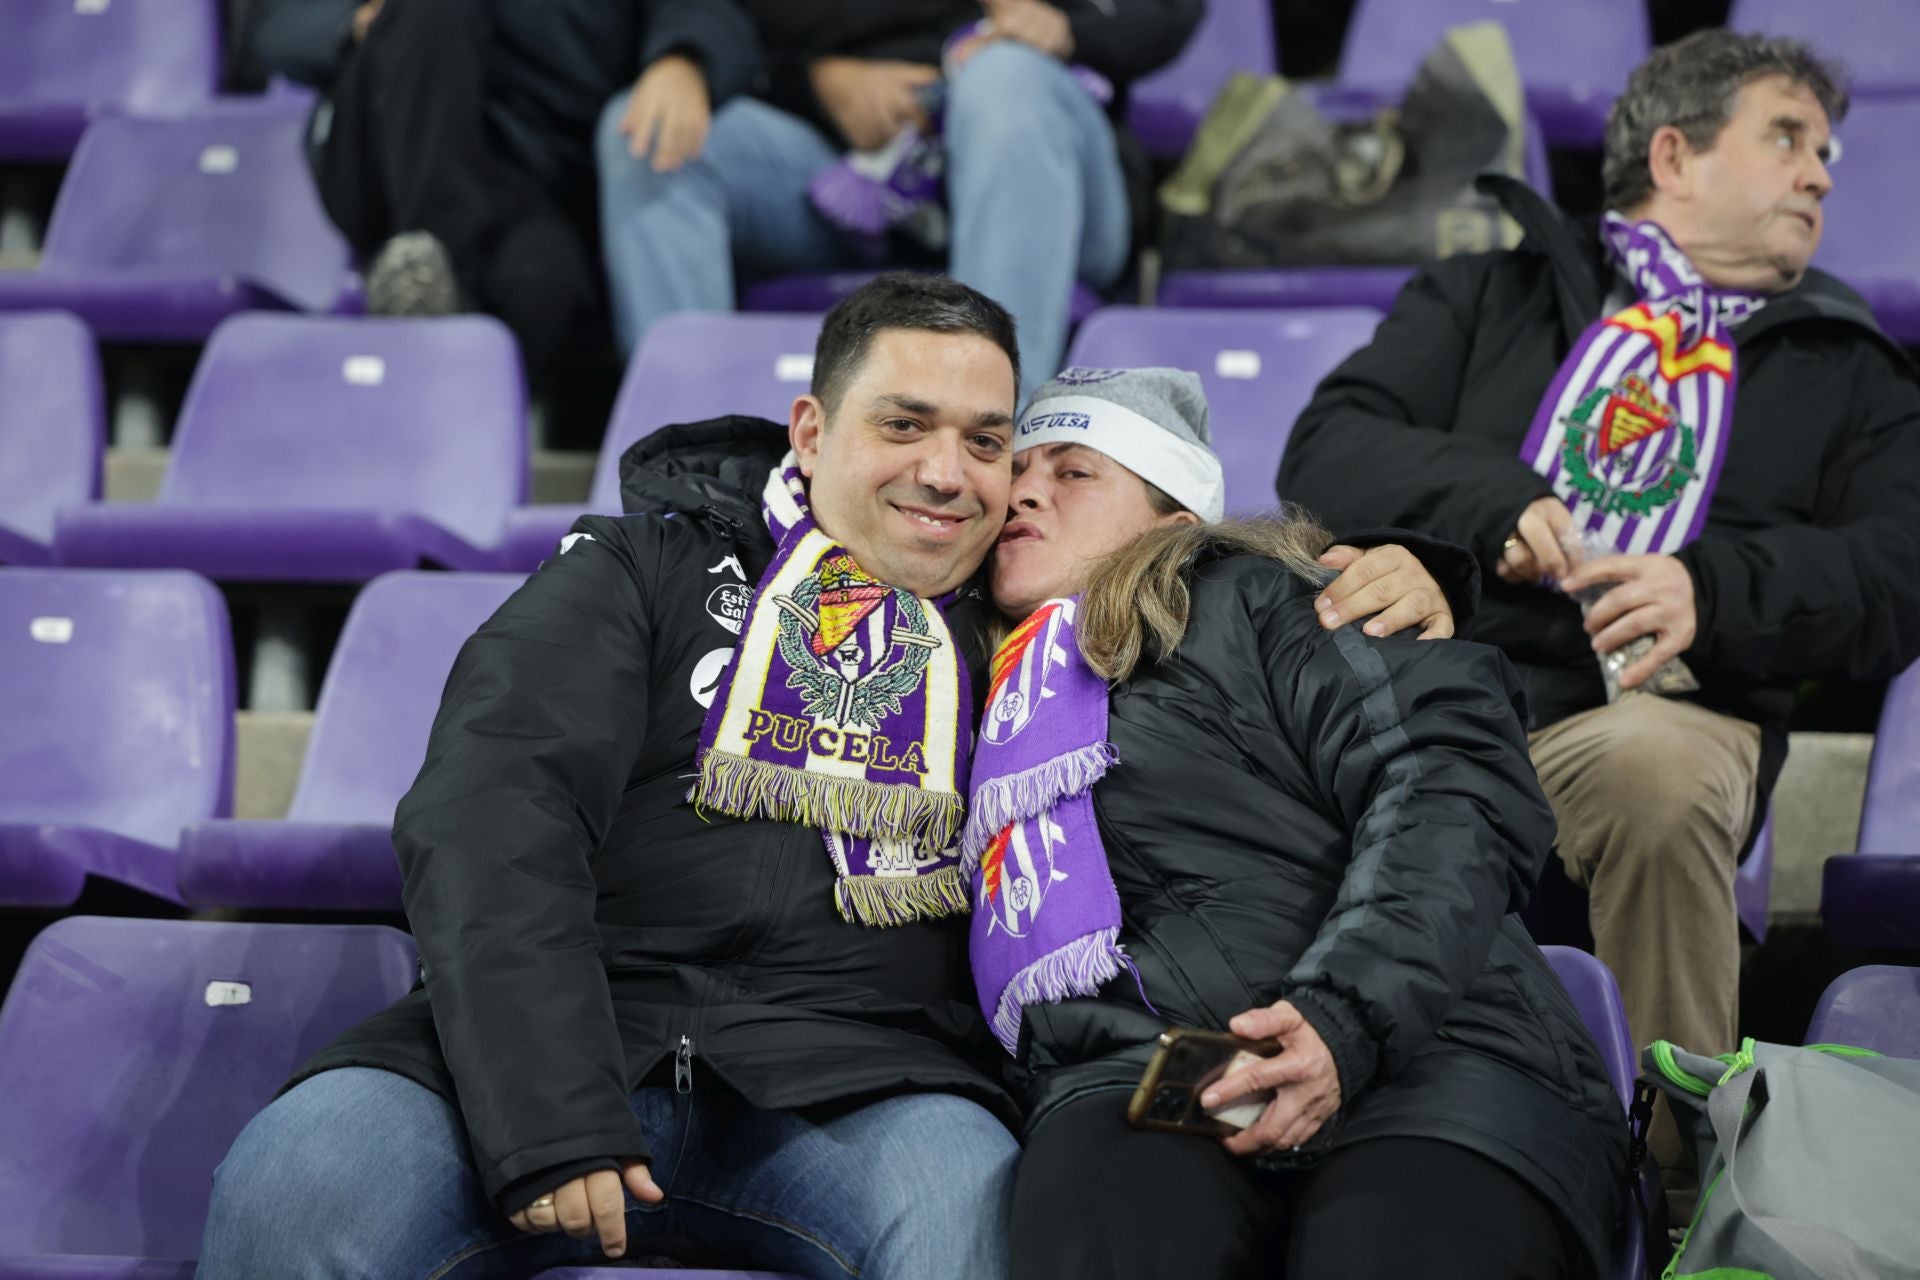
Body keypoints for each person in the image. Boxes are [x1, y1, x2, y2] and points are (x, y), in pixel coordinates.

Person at [195, 275, 1461, 1277]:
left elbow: (1216, 635)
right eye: (902, 424)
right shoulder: (645, 570)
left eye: (986, 440)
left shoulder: (1045, 648)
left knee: (973, 1233)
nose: (948, 472)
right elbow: (491, 807)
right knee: (298, 1185)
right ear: (813, 429)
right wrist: (550, 1107)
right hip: (558, 1037)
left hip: (867, 1085)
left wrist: (1375, 576)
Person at [1276, 30, 1920, 1206]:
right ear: (1673, 156)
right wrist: (1495, 501)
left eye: (1825, 150)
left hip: (1657, 711)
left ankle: (1673, 1192)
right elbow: (1330, 450)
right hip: (1444, 691)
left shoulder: (1850, 365)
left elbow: (1896, 578)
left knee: (1653, 770)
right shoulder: (1494, 290)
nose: (1823, 172)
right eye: (1787, 137)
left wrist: (1711, 587)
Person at [973, 368, 1626, 1279]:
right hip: (1162, 1080)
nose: (1026, 488)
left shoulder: (1276, 599)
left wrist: (1340, 1019)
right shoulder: (944, 682)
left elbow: (1451, 783)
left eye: (1075, 471)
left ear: (1174, 522)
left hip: (1432, 1059)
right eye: (1019, 468)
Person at [594, 0, 1201, 397]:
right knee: (644, 131)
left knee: (1003, 79)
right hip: (848, 168)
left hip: (1049, 173)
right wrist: (817, 78)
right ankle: (696, 466)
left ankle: (989, 438)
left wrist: (1073, 27)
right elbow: (727, 16)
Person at [246, 0, 758, 381]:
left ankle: (442, 318)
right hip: (394, 160)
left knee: (542, 285)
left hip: (536, 178)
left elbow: (713, 14)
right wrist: (351, 23)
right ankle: (432, 259)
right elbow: (273, 30)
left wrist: (685, 59)